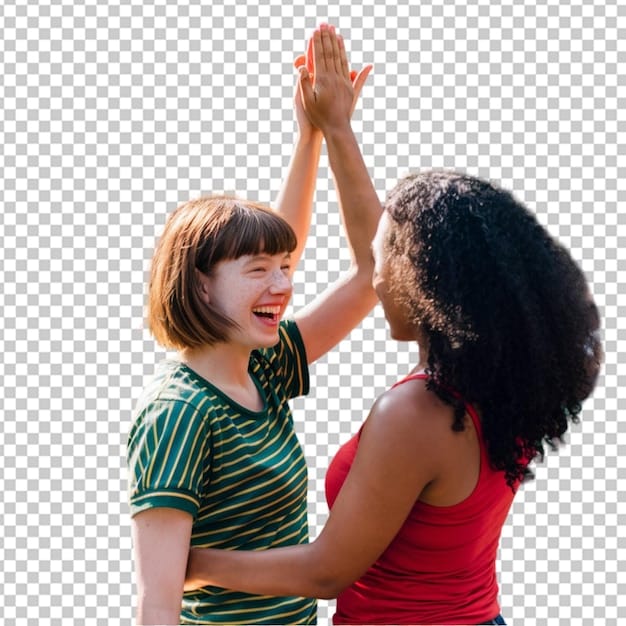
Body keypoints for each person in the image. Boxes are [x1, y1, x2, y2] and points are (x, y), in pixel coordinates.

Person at [184, 26, 604, 626]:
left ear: (429, 282)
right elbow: (371, 251)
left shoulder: (415, 415)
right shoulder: (494, 379)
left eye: (390, 264)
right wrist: (334, 130)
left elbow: (326, 571)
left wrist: (191, 561)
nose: (376, 280)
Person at [127, 24, 379, 626]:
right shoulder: (178, 414)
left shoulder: (261, 365)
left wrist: (314, 134)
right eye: (257, 270)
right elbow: (157, 603)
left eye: (284, 268)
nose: (283, 285)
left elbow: (375, 272)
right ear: (199, 283)